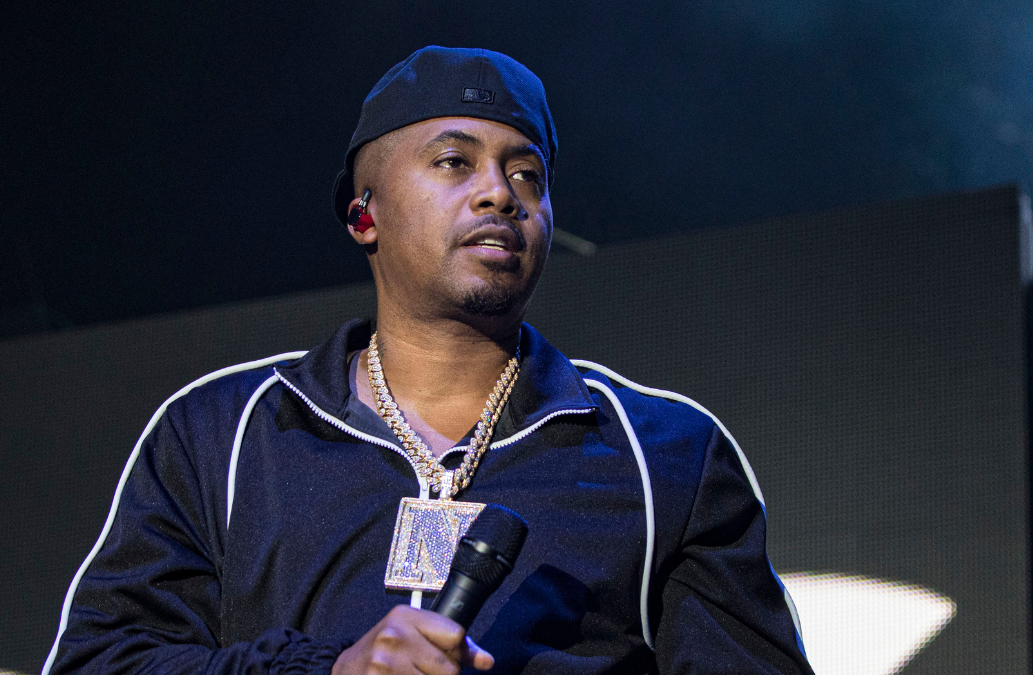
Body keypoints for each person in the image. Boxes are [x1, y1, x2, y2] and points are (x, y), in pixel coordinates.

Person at [43, 46, 813, 675]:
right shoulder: (219, 435)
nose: (499, 194)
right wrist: (327, 670)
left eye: (527, 174)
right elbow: (101, 661)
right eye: (453, 162)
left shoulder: (666, 454)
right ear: (363, 214)